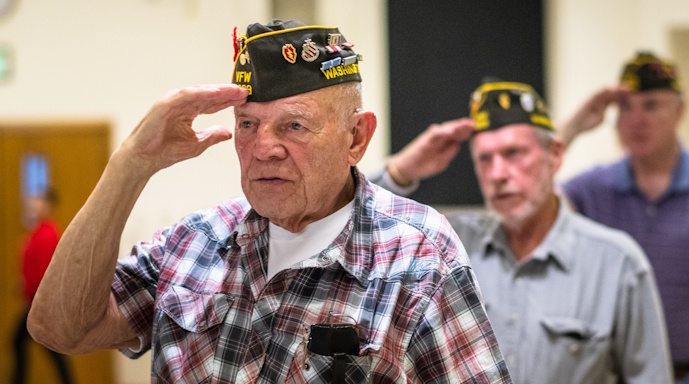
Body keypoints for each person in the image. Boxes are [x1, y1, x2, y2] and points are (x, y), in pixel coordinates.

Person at [27, 20, 511, 383]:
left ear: (356, 138)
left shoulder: (417, 255)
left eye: (294, 125)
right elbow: (61, 330)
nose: (263, 148)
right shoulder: (195, 242)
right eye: (248, 124)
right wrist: (130, 164)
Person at [373, 79, 672, 383]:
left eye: (513, 153)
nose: (498, 174)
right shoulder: (450, 244)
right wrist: (400, 171)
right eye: (485, 159)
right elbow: (358, 227)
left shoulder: (616, 263)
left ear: (555, 155)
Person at [559, 51, 689, 384]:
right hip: (622, 374)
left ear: (680, 110)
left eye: (651, 105)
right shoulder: (593, 189)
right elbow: (532, 199)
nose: (636, 120)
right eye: (625, 107)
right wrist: (572, 128)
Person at [12, 188, 74, 384]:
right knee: (49, 348)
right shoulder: (38, 231)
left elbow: (44, 270)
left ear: (48, 205)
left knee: (18, 342)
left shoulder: (48, 233)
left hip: (40, 302)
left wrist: (33, 294)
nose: (34, 203)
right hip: (35, 300)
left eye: (39, 200)